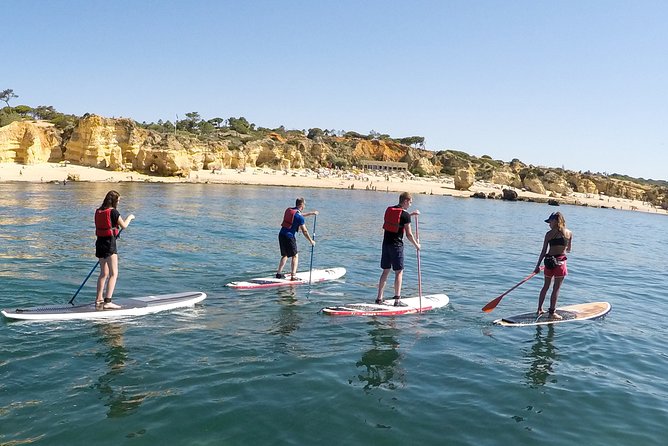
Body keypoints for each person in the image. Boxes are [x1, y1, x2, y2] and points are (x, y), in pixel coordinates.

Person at [376, 192, 421, 306]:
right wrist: (417, 245)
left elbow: (399, 219)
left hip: (385, 244)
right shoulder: (404, 215)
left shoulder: (390, 209)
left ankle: (379, 298)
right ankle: (397, 300)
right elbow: (409, 235)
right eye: (410, 202)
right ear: (405, 201)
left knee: (385, 271)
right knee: (399, 272)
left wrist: (410, 215)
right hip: (396, 246)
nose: (410, 204)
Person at [95, 190, 135, 309]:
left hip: (99, 243)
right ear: (114, 201)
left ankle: (98, 299)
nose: (119, 202)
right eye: (118, 200)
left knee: (103, 273)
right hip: (109, 244)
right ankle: (108, 302)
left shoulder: (99, 211)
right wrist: (130, 217)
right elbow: (124, 226)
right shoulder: (113, 212)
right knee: (114, 273)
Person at [534, 212, 573, 319]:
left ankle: (539, 309)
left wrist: (537, 266)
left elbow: (543, 251)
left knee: (545, 286)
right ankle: (552, 313)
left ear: (555, 221)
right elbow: (569, 250)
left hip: (548, 263)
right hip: (560, 263)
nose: (549, 224)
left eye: (550, 222)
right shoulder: (569, 233)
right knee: (556, 289)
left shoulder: (549, 234)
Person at [276, 197, 318, 280]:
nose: (305, 206)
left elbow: (298, 214)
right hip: (289, 236)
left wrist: (311, 213)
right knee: (295, 256)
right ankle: (293, 276)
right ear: (302, 205)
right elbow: (305, 231)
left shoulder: (289, 210)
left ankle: (278, 274)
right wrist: (311, 241)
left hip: (281, 234)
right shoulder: (299, 217)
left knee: (285, 255)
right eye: (304, 204)